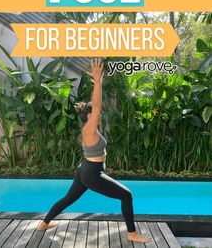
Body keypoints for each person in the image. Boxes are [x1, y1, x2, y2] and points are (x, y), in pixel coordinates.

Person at [37, 58, 151, 243]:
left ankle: (44, 223)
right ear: (90, 116)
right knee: (127, 196)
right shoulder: (89, 129)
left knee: (68, 198)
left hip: (85, 169)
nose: (99, 114)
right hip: (92, 174)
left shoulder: (90, 130)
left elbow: (96, 105)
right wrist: (97, 81)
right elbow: (97, 105)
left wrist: (98, 84)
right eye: (95, 113)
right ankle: (132, 234)